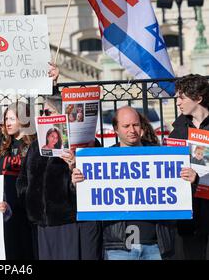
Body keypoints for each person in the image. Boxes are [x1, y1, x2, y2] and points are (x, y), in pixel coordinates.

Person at [72, 106, 197, 260]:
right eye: (126, 126)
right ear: (116, 129)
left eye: (136, 125)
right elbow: (88, 197)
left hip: (157, 245)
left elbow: (180, 194)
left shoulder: (160, 155)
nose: (132, 130)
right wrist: (77, 183)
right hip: (118, 247)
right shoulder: (103, 160)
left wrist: (191, 181)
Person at [17, 96, 102, 260]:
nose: (44, 116)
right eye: (42, 112)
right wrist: (28, 198)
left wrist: (74, 166)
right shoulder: (36, 146)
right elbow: (24, 178)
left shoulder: (86, 143)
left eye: (48, 112)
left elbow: (94, 182)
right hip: (43, 224)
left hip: (70, 222)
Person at [168, 74, 209, 260]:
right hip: (190, 215)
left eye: (182, 97)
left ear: (198, 98)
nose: (177, 102)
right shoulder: (178, 130)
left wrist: (200, 178)